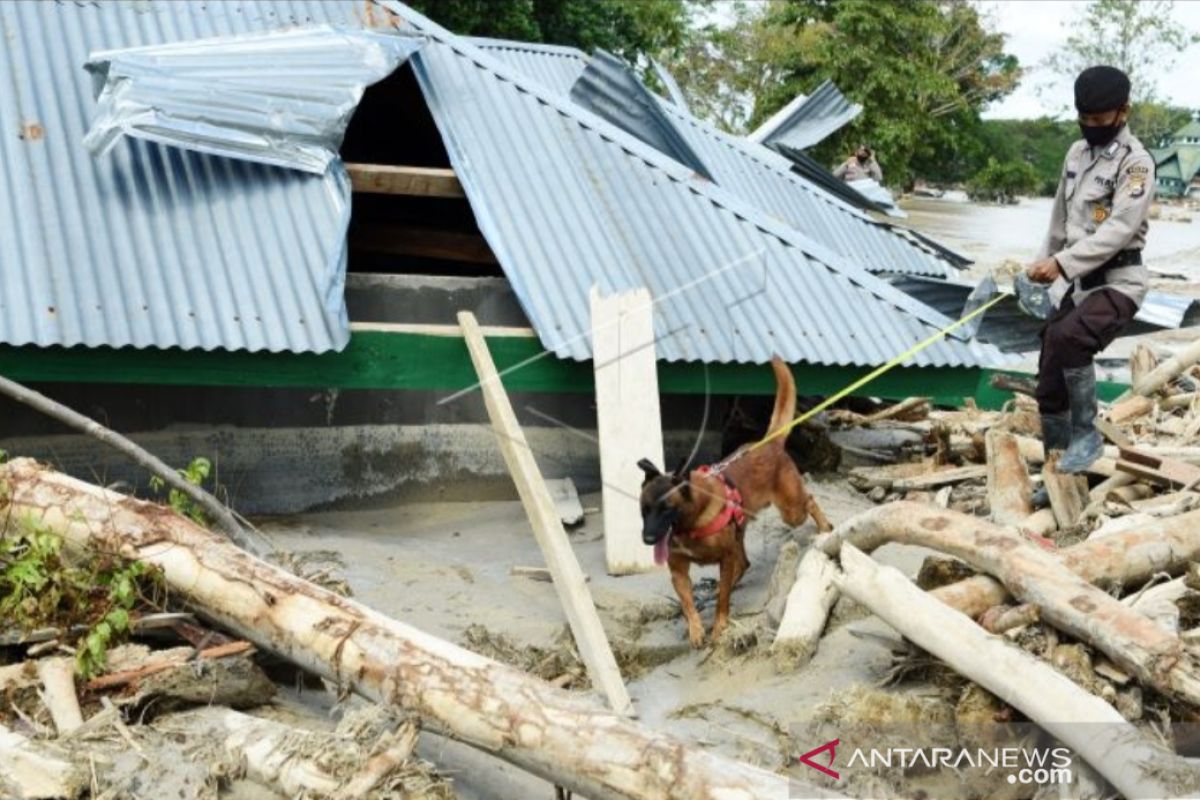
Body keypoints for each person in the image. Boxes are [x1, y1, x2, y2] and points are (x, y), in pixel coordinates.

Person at [1025, 65, 1154, 477]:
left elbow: (1119, 230)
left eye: (1098, 121)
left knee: (1070, 337)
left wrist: (1062, 263)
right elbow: (1059, 223)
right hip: (1078, 287)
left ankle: (1087, 435)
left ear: (1123, 112)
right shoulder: (1076, 154)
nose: (1090, 127)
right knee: (1049, 371)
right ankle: (1058, 470)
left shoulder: (1136, 164)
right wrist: (1041, 267)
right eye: (1084, 119)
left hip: (1120, 283)